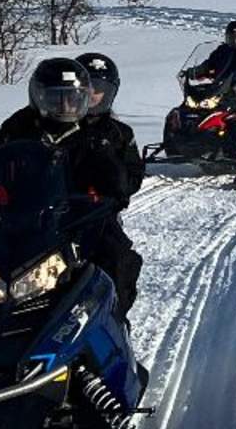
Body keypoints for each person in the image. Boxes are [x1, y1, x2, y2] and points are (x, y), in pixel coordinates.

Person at [0, 57, 144, 328]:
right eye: (55, 99)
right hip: (19, 218)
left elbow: (119, 184)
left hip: (81, 219)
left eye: (72, 99)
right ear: (38, 97)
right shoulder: (16, 129)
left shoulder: (98, 135)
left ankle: (112, 322)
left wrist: (105, 191)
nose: (64, 106)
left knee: (117, 257)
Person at [76, 51, 145, 327]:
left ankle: (114, 322)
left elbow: (132, 178)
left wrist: (109, 166)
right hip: (46, 211)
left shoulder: (119, 133)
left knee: (118, 260)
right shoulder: (52, 126)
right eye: (87, 88)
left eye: (99, 89)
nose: (92, 95)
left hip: (95, 216)